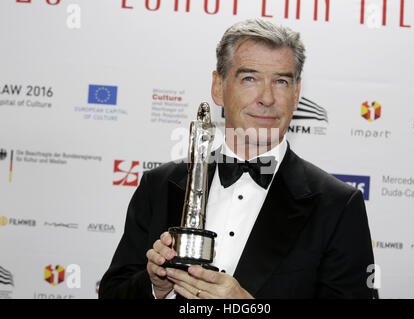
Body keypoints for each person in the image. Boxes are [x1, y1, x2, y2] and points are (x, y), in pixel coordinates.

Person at [99, 19, 375, 299]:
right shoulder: (159, 185)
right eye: (250, 79)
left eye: (281, 81)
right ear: (218, 86)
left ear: (296, 94)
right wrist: (155, 286)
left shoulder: (337, 206)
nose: (267, 98)